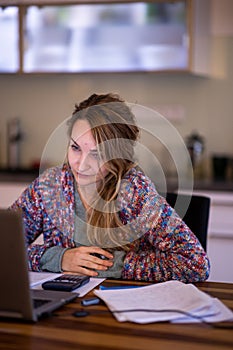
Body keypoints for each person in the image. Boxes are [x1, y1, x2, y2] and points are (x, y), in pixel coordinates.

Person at [11, 93, 210, 283]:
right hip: (61, 307)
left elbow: (195, 263)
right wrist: (58, 258)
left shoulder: (136, 192)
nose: (81, 165)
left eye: (97, 154)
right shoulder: (49, 187)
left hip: (124, 308)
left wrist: (112, 265)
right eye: (75, 148)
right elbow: (6, 246)